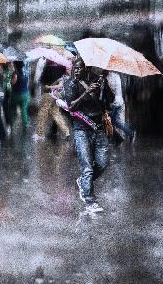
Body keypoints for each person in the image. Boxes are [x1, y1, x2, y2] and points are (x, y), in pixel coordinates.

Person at [62, 57, 111, 212]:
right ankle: (90, 201)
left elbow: (107, 102)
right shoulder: (70, 84)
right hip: (81, 129)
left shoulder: (98, 80)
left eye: (80, 68)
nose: (76, 70)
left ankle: (83, 182)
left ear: (87, 68)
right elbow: (71, 106)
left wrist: (102, 88)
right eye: (74, 68)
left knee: (102, 164)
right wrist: (86, 93)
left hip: (98, 128)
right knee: (87, 167)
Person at [105, 71, 136, 143]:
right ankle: (129, 133)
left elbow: (110, 92)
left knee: (112, 121)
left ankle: (119, 138)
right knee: (115, 121)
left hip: (114, 103)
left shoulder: (109, 77)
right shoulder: (117, 76)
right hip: (119, 101)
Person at [8, 61, 30, 133]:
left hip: (16, 94)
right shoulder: (25, 72)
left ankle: (11, 124)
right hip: (25, 94)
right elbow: (27, 83)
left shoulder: (15, 73)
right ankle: (25, 124)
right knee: (24, 109)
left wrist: (9, 81)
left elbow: (13, 82)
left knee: (13, 109)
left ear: (15, 65)